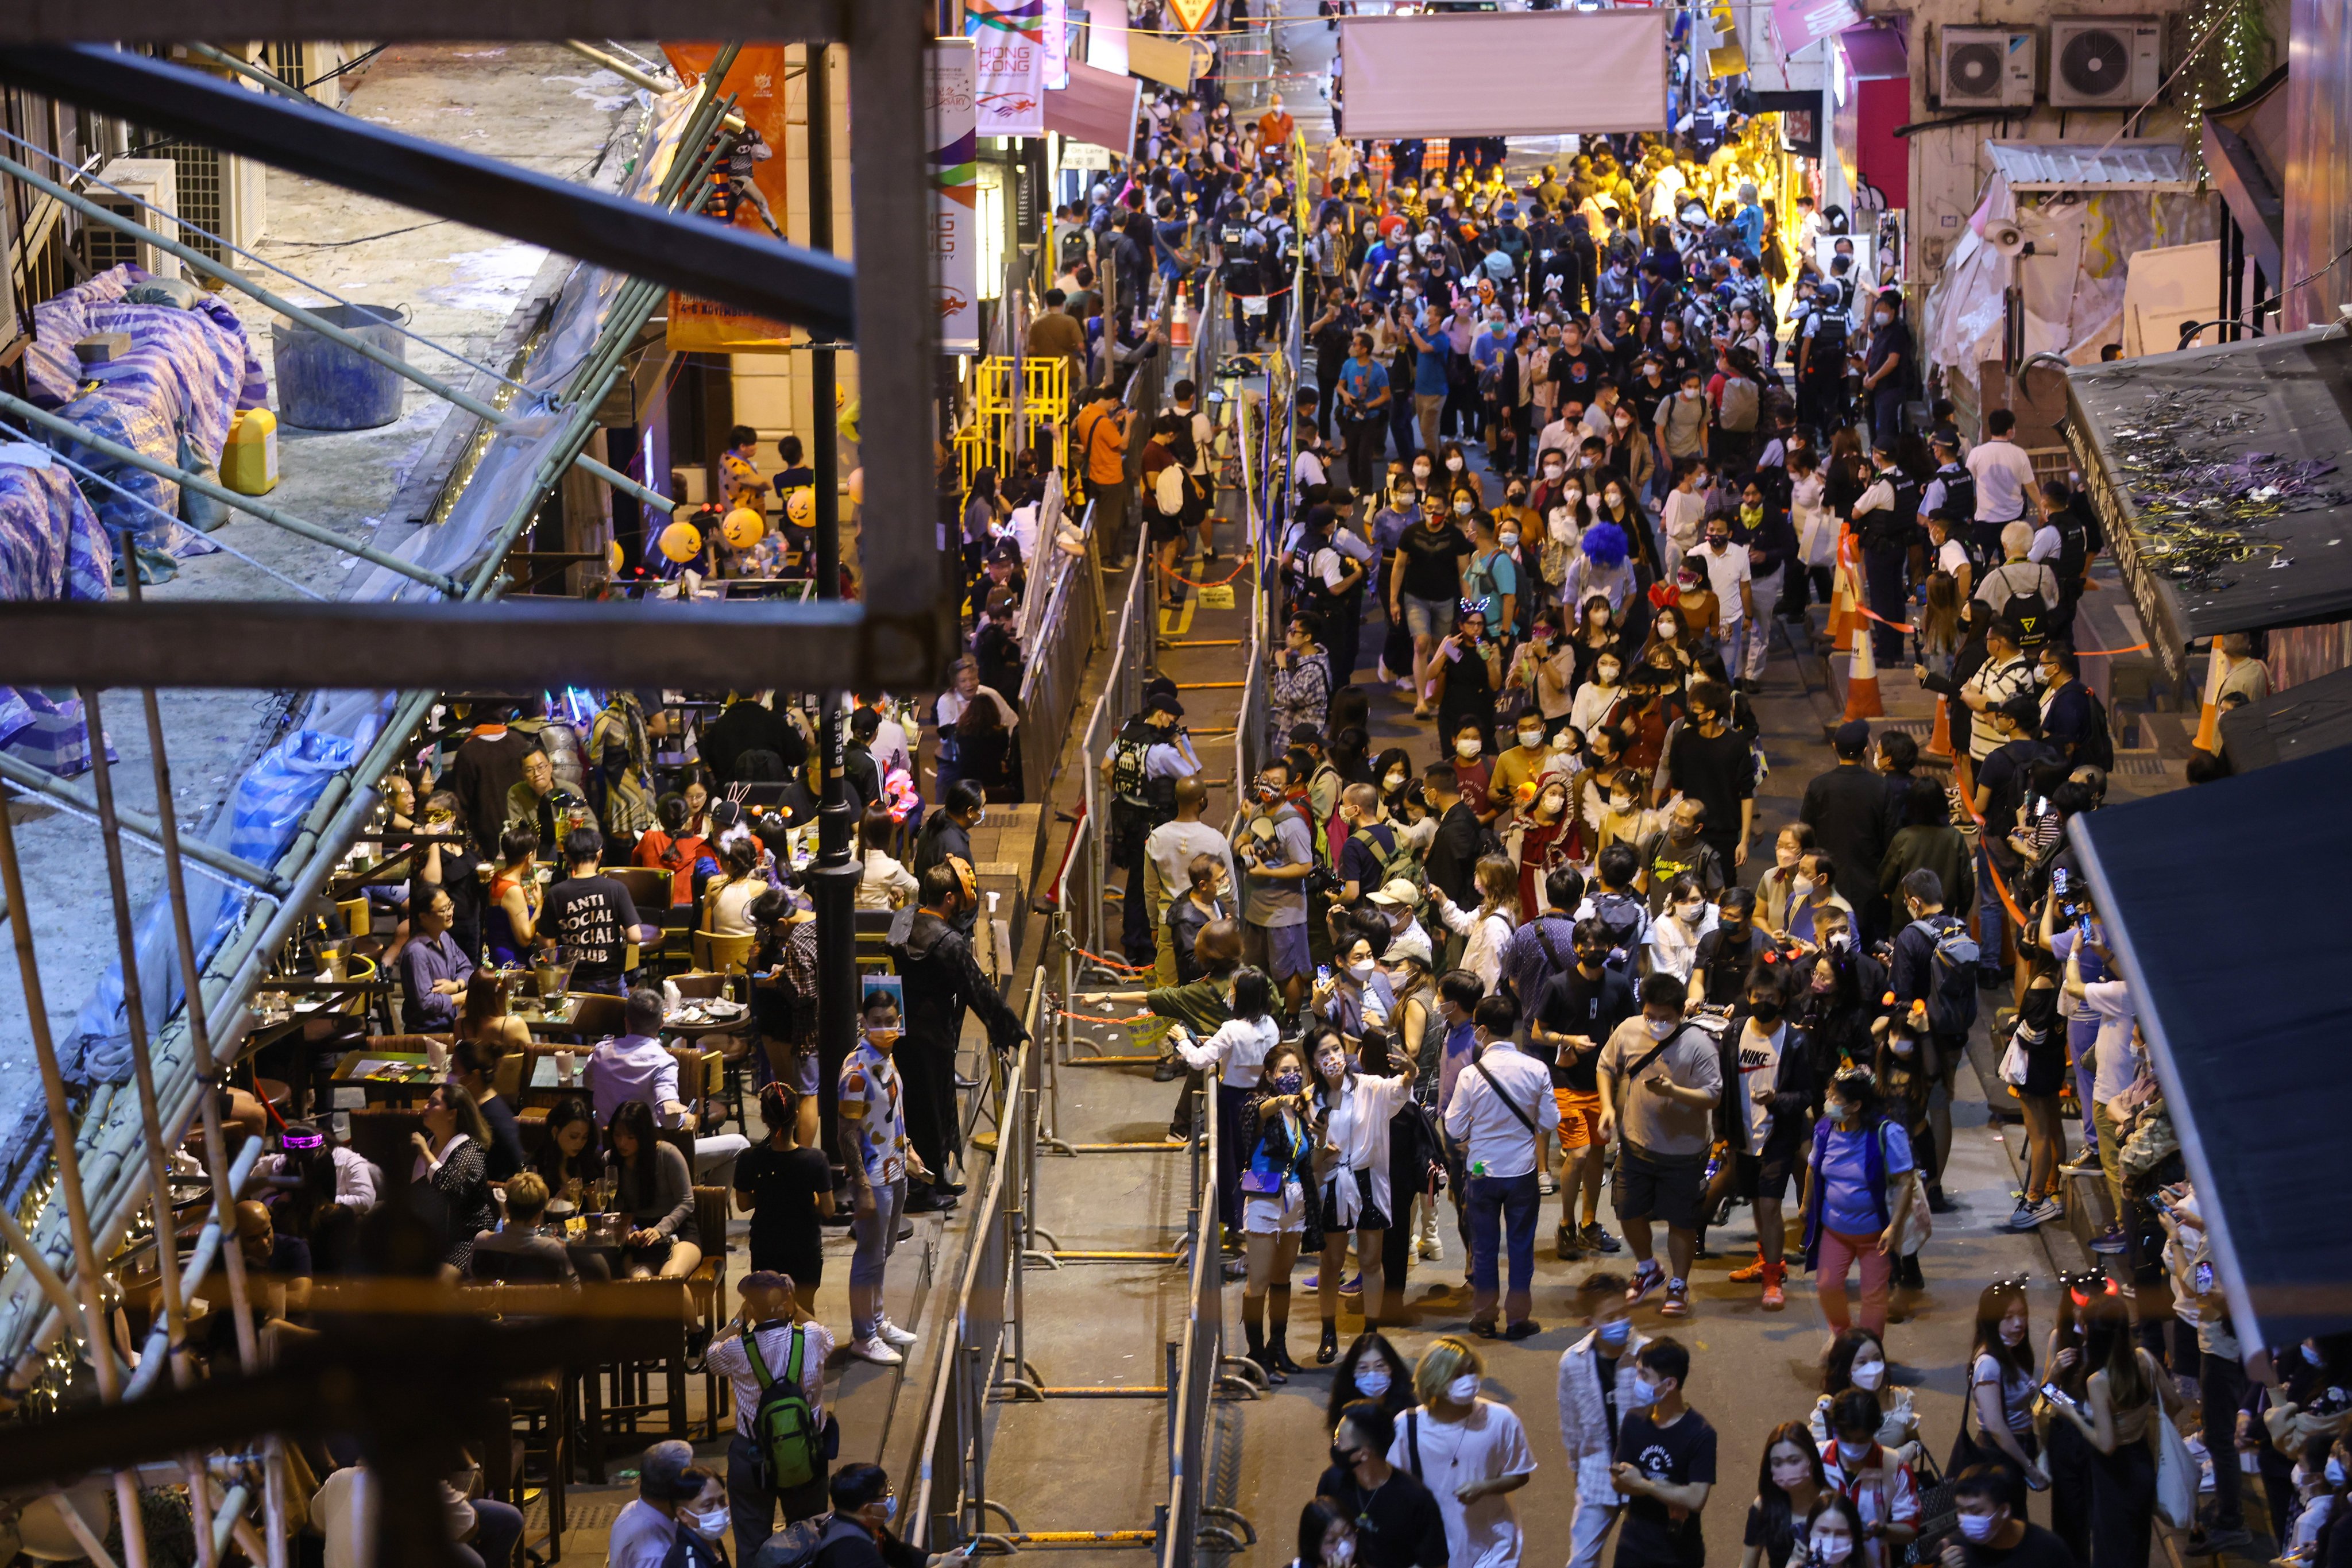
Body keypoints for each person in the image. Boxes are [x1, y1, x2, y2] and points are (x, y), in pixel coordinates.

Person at [893, 862, 1030, 1209]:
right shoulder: (949, 942)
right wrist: (1012, 1029)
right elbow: (978, 991)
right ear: (950, 898)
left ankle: (934, 1178)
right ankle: (922, 1190)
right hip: (934, 1031)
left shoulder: (904, 919)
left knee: (918, 1107)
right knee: (931, 1110)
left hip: (902, 1027)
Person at [1597, 975, 1722, 1319]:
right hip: (1636, 1143)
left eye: (1665, 1018)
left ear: (1681, 1012)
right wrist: (1608, 1107)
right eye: (1651, 1015)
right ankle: (1647, 1267)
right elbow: (1606, 1067)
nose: (1657, 1024)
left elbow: (1713, 1095)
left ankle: (1679, 1284)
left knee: (1682, 1221)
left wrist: (1675, 1093)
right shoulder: (1628, 1030)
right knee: (1628, 1210)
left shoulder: (1699, 1044)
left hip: (1685, 1151)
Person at [1443, 994, 1559, 1338]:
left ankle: (1484, 1316)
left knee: (1484, 1246)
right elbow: (1550, 1119)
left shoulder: (1470, 1075)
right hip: (1523, 1170)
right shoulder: (1536, 1069)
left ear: (1481, 1030)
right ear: (1514, 1027)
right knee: (1521, 1245)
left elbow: (1453, 1128)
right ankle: (1518, 1319)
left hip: (1480, 1168)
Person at [1306, 1024, 1416, 1355]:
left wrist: (1411, 1074)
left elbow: (1399, 1090)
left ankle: (1371, 1334)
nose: (1333, 1058)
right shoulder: (1309, 1100)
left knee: (1370, 1260)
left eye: (1337, 1049)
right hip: (1331, 1184)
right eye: (1324, 1053)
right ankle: (1328, 1333)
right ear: (1313, 1062)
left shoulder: (1370, 1086)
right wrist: (1323, 1145)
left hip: (1368, 1178)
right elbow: (1311, 1158)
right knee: (1332, 1261)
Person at [709, 1269, 837, 1556]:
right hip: (806, 1452)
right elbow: (827, 1336)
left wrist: (738, 1321)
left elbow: (711, 1355)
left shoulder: (736, 1350)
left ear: (751, 1308)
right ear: (787, 1303)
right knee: (810, 1537)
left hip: (752, 1456)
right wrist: (796, 1307)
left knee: (753, 1543)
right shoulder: (813, 1337)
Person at [2048, 1293, 2180, 1568]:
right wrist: (2139, 1421)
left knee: (2111, 1551)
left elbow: (2106, 1444)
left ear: (2093, 1334)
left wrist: (2072, 1413)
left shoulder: (2099, 1381)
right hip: (2141, 1462)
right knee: (2136, 1546)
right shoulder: (2144, 1358)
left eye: (2084, 1326)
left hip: (2114, 1474)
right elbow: (2175, 1402)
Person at [1389, 1337, 1536, 1568]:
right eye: (1457, 1375)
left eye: (1471, 1370)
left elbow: (1520, 1473)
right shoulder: (1407, 1426)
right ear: (1434, 1379)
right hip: (1433, 1551)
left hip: (1494, 1548)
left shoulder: (1501, 1419)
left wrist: (1485, 1487)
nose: (1468, 1380)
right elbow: (1394, 1485)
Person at [588, 988, 751, 1188]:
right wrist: (688, 1118)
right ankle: (705, 1204)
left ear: (626, 1023)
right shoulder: (663, 1063)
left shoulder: (601, 1052)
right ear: (661, 1025)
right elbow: (669, 1118)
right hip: (649, 1157)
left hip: (605, 1152)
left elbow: (588, 1083)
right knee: (741, 1145)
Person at [839, 990, 925, 1365]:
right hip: (873, 1177)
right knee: (869, 1258)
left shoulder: (887, 1061)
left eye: (891, 1021)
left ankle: (875, 1322)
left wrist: (908, 1149)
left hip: (895, 1168)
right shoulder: (857, 1073)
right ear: (863, 1022)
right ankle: (863, 1335)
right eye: (878, 1021)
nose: (885, 1028)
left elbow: (894, 1111)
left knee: (883, 1253)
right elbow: (846, 1133)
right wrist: (861, 1187)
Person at [1559, 1273, 1651, 1568]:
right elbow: (1571, 1423)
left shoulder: (1650, 1355)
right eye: (1610, 1317)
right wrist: (1577, 1468)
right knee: (1582, 1560)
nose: (1621, 1322)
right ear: (1589, 1322)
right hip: (1597, 1475)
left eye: (1625, 1313)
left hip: (1647, 1477)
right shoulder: (1572, 1362)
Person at [1239, 1037, 1316, 1382]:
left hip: (1296, 1201)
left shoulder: (1302, 1113)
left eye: (1297, 1071)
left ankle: (1278, 1348)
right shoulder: (1258, 1105)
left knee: (1283, 1279)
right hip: (1263, 1202)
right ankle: (1256, 1358)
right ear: (1270, 1076)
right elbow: (1261, 1111)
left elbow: (1307, 1160)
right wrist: (1282, 1099)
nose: (1293, 1076)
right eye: (1285, 1071)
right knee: (1258, 1283)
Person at [1610, 1336, 1717, 1568]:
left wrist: (1643, 1484)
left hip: (1678, 1553)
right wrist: (1671, 1491)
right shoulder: (1634, 1420)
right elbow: (1618, 1481)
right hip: (1633, 1547)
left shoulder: (1701, 1434)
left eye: (1644, 1376)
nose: (1637, 1381)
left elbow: (1696, 1499)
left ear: (1670, 1384)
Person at [734, 1083, 835, 1311]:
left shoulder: (750, 1158)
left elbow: (743, 1204)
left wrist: (770, 1194)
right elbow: (828, 1210)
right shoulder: (816, 1160)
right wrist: (809, 1199)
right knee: (804, 1309)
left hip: (765, 1247)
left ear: (763, 1117)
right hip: (804, 1248)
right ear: (797, 1116)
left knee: (766, 1310)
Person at [1320, 1401, 1453, 1568]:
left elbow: (1437, 1564)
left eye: (1339, 1440)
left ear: (1363, 1454)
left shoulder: (1416, 1500)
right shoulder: (1332, 1481)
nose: (1335, 1445)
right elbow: (1316, 1541)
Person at [1234, 759, 1318, 1015]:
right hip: (1256, 910)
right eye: (1264, 780)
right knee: (1255, 969)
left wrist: (1267, 871)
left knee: (1286, 972)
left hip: (1284, 914)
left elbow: (1305, 866)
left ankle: (1292, 1019)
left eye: (1275, 783)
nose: (1267, 787)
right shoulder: (1259, 811)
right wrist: (1243, 847)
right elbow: (1242, 837)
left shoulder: (1293, 825)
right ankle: (1262, 1015)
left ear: (1288, 787)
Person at [1954, 1280, 2047, 1505]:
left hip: (2016, 1449)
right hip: (2000, 1456)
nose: (2019, 1323)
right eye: (2008, 1317)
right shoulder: (1989, 1365)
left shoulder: (2009, 1351)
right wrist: (2030, 1468)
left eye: (2022, 1314)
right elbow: (1996, 1427)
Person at [1799, 721, 1889, 941]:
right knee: (1866, 945)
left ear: (1834, 746)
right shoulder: (1880, 787)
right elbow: (1890, 838)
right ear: (1865, 751)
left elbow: (1806, 834)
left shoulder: (1819, 786)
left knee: (1827, 940)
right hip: (1870, 883)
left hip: (1827, 882)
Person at [547, 826, 659, 996]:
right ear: (599, 854)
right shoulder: (616, 889)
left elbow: (546, 942)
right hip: (610, 981)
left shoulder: (556, 893)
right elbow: (635, 936)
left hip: (571, 982)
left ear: (568, 858)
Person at [1818, 1387, 1921, 1568]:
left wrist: (1882, 1531)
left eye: (1861, 1440)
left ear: (1875, 1430)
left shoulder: (1896, 1469)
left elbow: (1910, 1529)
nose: (1853, 1447)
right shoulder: (1816, 1461)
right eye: (1846, 1438)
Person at [607, 1098, 701, 1283]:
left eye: (630, 1137)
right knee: (640, 1282)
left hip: (677, 1231)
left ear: (644, 1135)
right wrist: (627, 1232)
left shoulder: (667, 1154)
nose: (622, 1143)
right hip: (639, 1236)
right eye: (617, 1135)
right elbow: (615, 1208)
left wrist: (660, 1230)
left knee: (669, 1280)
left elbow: (687, 1201)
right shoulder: (611, 1160)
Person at [413, 1082, 496, 1277]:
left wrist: (425, 1154)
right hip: (431, 1235)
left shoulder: (470, 1151)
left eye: (433, 1103)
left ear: (452, 1113)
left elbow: (450, 1189)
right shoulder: (428, 1140)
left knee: (439, 1285)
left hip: (466, 1238)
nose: (425, 1107)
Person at [1939, 1465, 2081, 1568]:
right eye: (1961, 1510)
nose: (1967, 1519)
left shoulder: (2048, 1549)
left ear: (2004, 1510)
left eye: (1976, 1511)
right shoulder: (1956, 1551)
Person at [1742, 1423, 1828, 1568]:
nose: (1786, 1470)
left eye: (1794, 1461)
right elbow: (1747, 1565)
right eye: (1777, 1463)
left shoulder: (1832, 1504)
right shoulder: (1764, 1506)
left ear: (1812, 1461)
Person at [449, 1036, 527, 1181]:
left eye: (454, 1070)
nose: (450, 1075)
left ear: (475, 1075)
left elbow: (516, 1168)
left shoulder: (494, 1118)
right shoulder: (472, 1105)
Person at [397, 887, 475, 1032]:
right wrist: (461, 997)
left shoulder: (444, 937)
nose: (450, 913)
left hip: (452, 1023)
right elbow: (425, 1002)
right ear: (423, 916)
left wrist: (457, 985)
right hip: (429, 1032)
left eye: (450, 905)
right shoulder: (417, 952)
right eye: (443, 910)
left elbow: (467, 968)